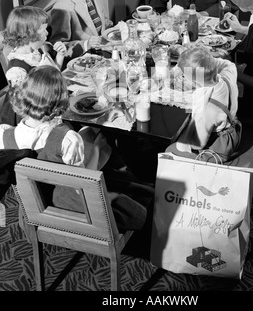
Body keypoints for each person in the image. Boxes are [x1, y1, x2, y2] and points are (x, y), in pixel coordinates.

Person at [0, 65, 153, 232]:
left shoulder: (3, 135)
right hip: (70, 208)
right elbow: (85, 182)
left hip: (34, 210)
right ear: (60, 101)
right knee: (134, 198)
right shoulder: (67, 139)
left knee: (95, 144)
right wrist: (95, 143)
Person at [166, 45, 239, 160]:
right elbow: (229, 64)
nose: (183, 78)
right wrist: (205, 62)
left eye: (184, 76)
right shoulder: (227, 75)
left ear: (194, 82)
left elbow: (198, 143)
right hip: (235, 127)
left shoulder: (206, 109)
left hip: (219, 146)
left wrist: (183, 142)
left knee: (170, 150)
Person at [0, 6, 67, 125]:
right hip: (34, 117)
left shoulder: (37, 50)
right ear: (29, 35)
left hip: (48, 103)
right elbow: (25, 106)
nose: (47, 33)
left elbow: (51, 76)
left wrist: (60, 56)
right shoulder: (17, 70)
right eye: (44, 31)